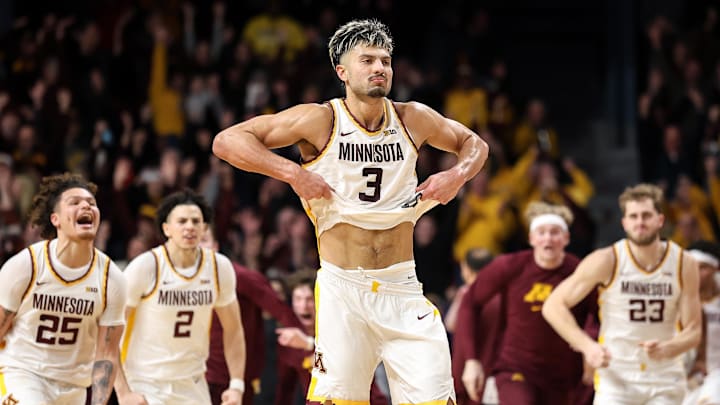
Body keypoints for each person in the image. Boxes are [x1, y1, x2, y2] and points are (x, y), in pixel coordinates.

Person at [213, 18, 488, 405]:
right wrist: (292, 172)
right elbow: (227, 141)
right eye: (368, 60)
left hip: (402, 287)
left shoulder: (413, 117)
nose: (380, 68)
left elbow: (473, 143)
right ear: (342, 71)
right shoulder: (320, 119)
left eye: (386, 61)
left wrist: (457, 176)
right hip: (344, 289)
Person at [542, 183, 703, 404]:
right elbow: (553, 306)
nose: (640, 222)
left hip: (665, 377)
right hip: (617, 377)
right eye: (633, 216)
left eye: (646, 215)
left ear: (660, 220)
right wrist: (587, 346)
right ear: (624, 223)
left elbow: (694, 330)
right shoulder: (607, 259)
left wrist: (669, 348)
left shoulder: (684, 263)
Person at [0, 172, 127, 404]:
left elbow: (107, 354)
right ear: (55, 219)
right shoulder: (26, 265)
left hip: (74, 387)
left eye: (91, 203)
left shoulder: (112, 279)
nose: (86, 206)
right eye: (75, 202)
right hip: (23, 373)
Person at [456, 201, 596, 405]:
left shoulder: (579, 271)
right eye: (542, 232)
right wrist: (471, 360)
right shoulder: (511, 266)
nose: (548, 238)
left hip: (563, 378)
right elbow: (470, 301)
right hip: (516, 370)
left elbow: (600, 314)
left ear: (566, 238)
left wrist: (590, 347)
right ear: (531, 238)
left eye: (555, 232)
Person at [113, 189, 246, 405]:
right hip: (145, 381)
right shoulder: (146, 267)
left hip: (192, 382)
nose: (190, 227)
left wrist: (237, 385)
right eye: (182, 221)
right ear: (166, 228)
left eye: (196, 221)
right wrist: (123, 391)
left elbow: (233, 329)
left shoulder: (219, 268)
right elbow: (109, 332)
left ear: (204, 228)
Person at [199, 226, 303, 405]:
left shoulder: (240, 276)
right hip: (195, 374)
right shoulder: (180, 282)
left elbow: (279, 308)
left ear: (215, 246)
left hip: (234, 378)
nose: (198, 245)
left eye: (204, 240)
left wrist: (306, 339)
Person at [275, 269, 390, 405]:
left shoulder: (339, 328)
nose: (303, 306)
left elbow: (337, 363)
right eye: (298, 299)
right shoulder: (291, 339)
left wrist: (308, 344)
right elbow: (286, 387)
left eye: (309, 299)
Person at [444, 248, 501, 405]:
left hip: (466, 373)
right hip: (494, 373)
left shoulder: (466, 295)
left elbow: (450, 324)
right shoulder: (502, 296)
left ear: (465, 269)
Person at [683, 240, 720, 405]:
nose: (696, 273)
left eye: (702, 267)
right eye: (692, 267)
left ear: (715, 268)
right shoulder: (676, 300)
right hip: (686, 377)